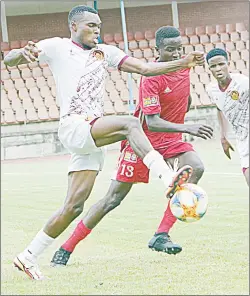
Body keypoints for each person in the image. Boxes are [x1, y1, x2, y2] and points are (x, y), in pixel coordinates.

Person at [4, 6, 205, 280]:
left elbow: (145, 68)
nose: (97, 30)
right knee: (130, 123)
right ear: (74, 27)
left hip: (91, 138)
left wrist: (183, 63)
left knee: (73, 206)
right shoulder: (57, 47)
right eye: (90, 25)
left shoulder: (105, 52)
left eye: (99, 25)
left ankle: (28, 257)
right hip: (75, 125)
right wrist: (20, 54)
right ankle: (167, 178)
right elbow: (10, 59)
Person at [50, 26, 213, 267]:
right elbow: (152, 122)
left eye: (180, 48)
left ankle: (161, 234)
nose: (177, 53)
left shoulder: (185, 68)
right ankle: (66, 247)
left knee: (196, 167)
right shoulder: (151, 78)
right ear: (158, 50)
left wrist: (182, 113)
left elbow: (184, 99)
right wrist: (187, 127)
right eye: (170, 50)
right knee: (112, 199)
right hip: (142, 143)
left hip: (171, 141)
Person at [205, 48, 249, 185]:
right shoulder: (211, 90)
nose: (218, 69)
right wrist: (223, 136)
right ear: (209, 69)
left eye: (221, 64)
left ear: (227, 63)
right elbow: (220, 109)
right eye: (213, 66)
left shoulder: (243, 83)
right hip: (242, 139)